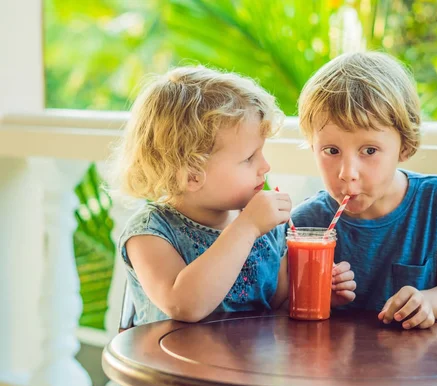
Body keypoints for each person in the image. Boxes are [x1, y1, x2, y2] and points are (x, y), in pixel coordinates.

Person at [110, 65, 357, 326]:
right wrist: (246, 227)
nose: (265, 166)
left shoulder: (264, 228)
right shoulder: (151, 234)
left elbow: (276, 302)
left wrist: (318, 290)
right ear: (192, 175)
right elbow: (185, 305)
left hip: (249, 365)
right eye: (249, 158)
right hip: (174, 365)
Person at [292, 52, 437, 329]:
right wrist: (324, 297)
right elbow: (282, 308)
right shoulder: (306, 228)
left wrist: (428, 301)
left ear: (404, 146)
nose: (347, 172)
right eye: (331, 150)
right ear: (313, 148)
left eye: (369, 150)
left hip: (417, 368)